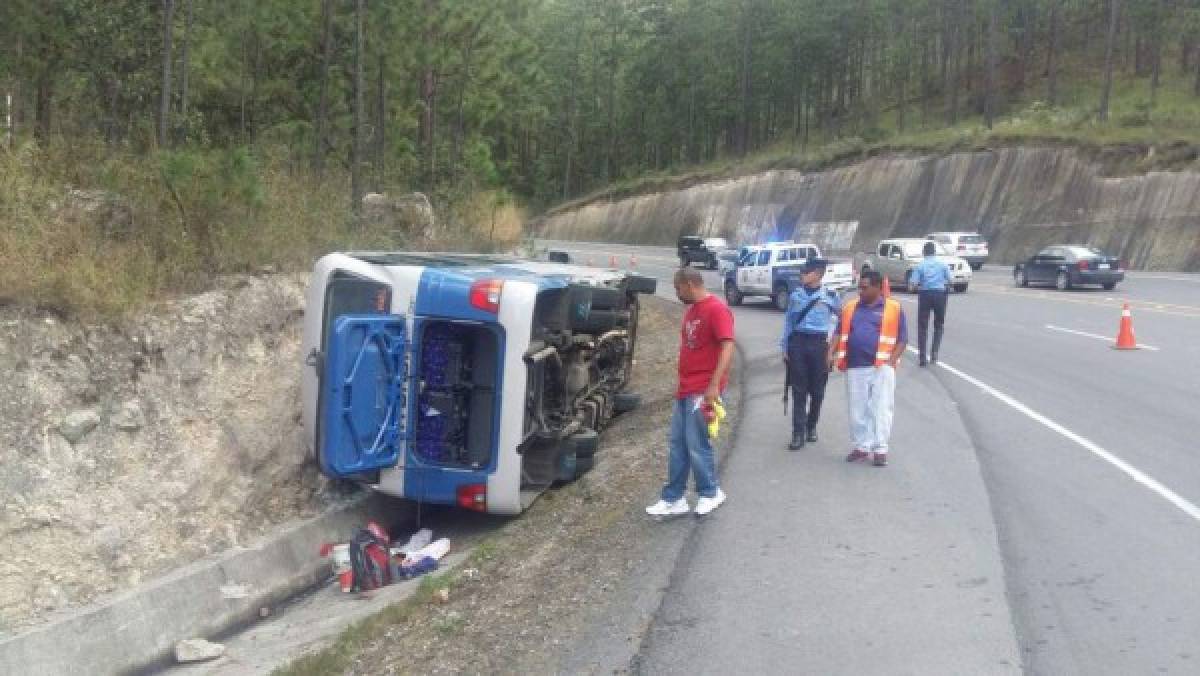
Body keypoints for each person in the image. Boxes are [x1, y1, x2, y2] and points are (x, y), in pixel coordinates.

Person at [646, 267, 736, 517]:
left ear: (689, 284)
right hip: (686, 388)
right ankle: (674, 498)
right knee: (678, 443)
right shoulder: (692, 311)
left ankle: (710, 492)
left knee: (697, 443)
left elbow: (728, 346)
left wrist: (714, 385)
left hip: (703, 388)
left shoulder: (716, 309)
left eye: (678, 288)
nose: (677, 294)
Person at [828, 270, 907, 467]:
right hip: (855, 366)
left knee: (881, 408)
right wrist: (830, 352)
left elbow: (902, 339)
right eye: (859, 287)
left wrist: (891, 361)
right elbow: (838, 332)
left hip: (882, 367)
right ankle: (862, 446)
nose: (860, 291)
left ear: (878, 287)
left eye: (864, 287)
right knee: (857, 409)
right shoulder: (850, 308)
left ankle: (880, 449)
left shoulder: (894, 309)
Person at [780, 258, 841, 450]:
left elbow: (839, 324)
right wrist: (785, 347)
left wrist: (832, 350)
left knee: (817, 391)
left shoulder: (831, 295)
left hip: (819, 345)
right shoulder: (796, 295)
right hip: (798, 343)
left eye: (806, 272)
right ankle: (797, 433)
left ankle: (811, 425)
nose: (802, 275)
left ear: (818, 274)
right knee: (798, 390)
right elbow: (788, 321)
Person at [913, 240, 951, 366]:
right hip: (940, 295)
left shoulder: (920, 265)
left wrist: (915, 286)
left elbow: (913, 283)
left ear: (924, 252)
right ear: (935, 252)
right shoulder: (942, 264)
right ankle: (934, 354)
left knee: (922, 326)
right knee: (939, 324)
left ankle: (922, 357)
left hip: (925, 294)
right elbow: (950, 279)